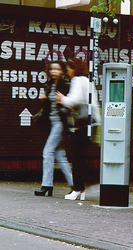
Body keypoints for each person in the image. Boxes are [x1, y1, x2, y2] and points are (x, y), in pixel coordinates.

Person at [55, 57, 100, 201]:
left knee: (77, 158)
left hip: (80, 125)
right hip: (91, 124)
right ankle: (81, 189)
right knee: (82, 157)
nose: (67, 72)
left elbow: (73, 101)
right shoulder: (87, 80)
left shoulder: (76, 80)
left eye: (68, 69)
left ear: (74, 68)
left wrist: (62, 99)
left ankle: (77, 189)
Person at [34, 61, 73, 197]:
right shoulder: (50, 85)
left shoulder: (65, 85)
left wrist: (62, 101)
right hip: (53, 123)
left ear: (62, 71)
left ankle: (46, 185)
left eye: (57, 69)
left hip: (60, 123)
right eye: (52, 69)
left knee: (47, 151)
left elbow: (70, 104)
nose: (54, 72)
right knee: (60, 155)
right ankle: (74, 185)